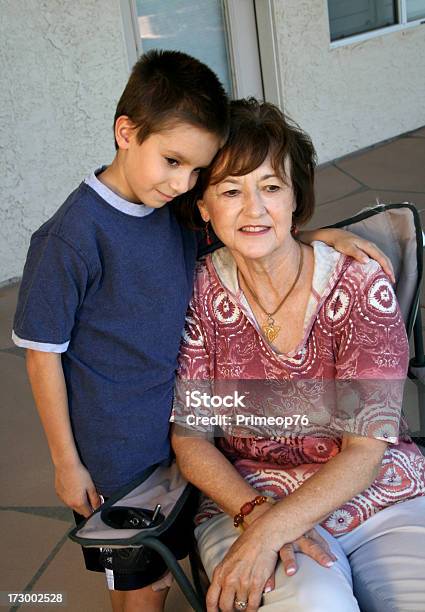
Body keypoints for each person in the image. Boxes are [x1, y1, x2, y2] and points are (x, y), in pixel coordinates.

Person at [12, 50, 393, 611]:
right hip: (116, 452)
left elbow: (250, 234)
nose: (183, 182)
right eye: (171, 161)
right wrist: (67, 462)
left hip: (180, 436)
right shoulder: (70, 238)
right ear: (125, 132)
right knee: (142, 584)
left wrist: (317, 237)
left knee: (170, 564)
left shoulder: (170, 211)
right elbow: (42, 356)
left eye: (196, 170)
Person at [171, 98, 425, 612]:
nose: (254, 209)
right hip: (245, 496)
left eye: (270, 187)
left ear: (294, 200)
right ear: (204, 207)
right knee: (312, 604)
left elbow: (364, 452)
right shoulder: (196, 294)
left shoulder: (357, 284)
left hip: (376, 498)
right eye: (230, 191)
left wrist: (269, 532)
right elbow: (191, 439)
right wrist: (257, 519)